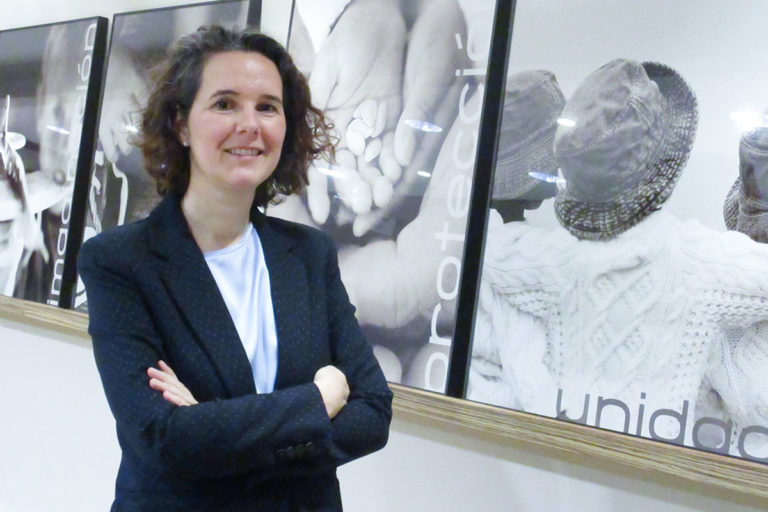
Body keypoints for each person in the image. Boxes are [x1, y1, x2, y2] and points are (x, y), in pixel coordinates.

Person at [77, 26, 392, 510]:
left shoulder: (309, 254)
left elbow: (372, 413)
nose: (249, 124)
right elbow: (161, 438)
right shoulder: (120, 261)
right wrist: (317, 401)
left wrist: (214, 429)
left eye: (267, 107)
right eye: (225, 104)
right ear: (181, 125)